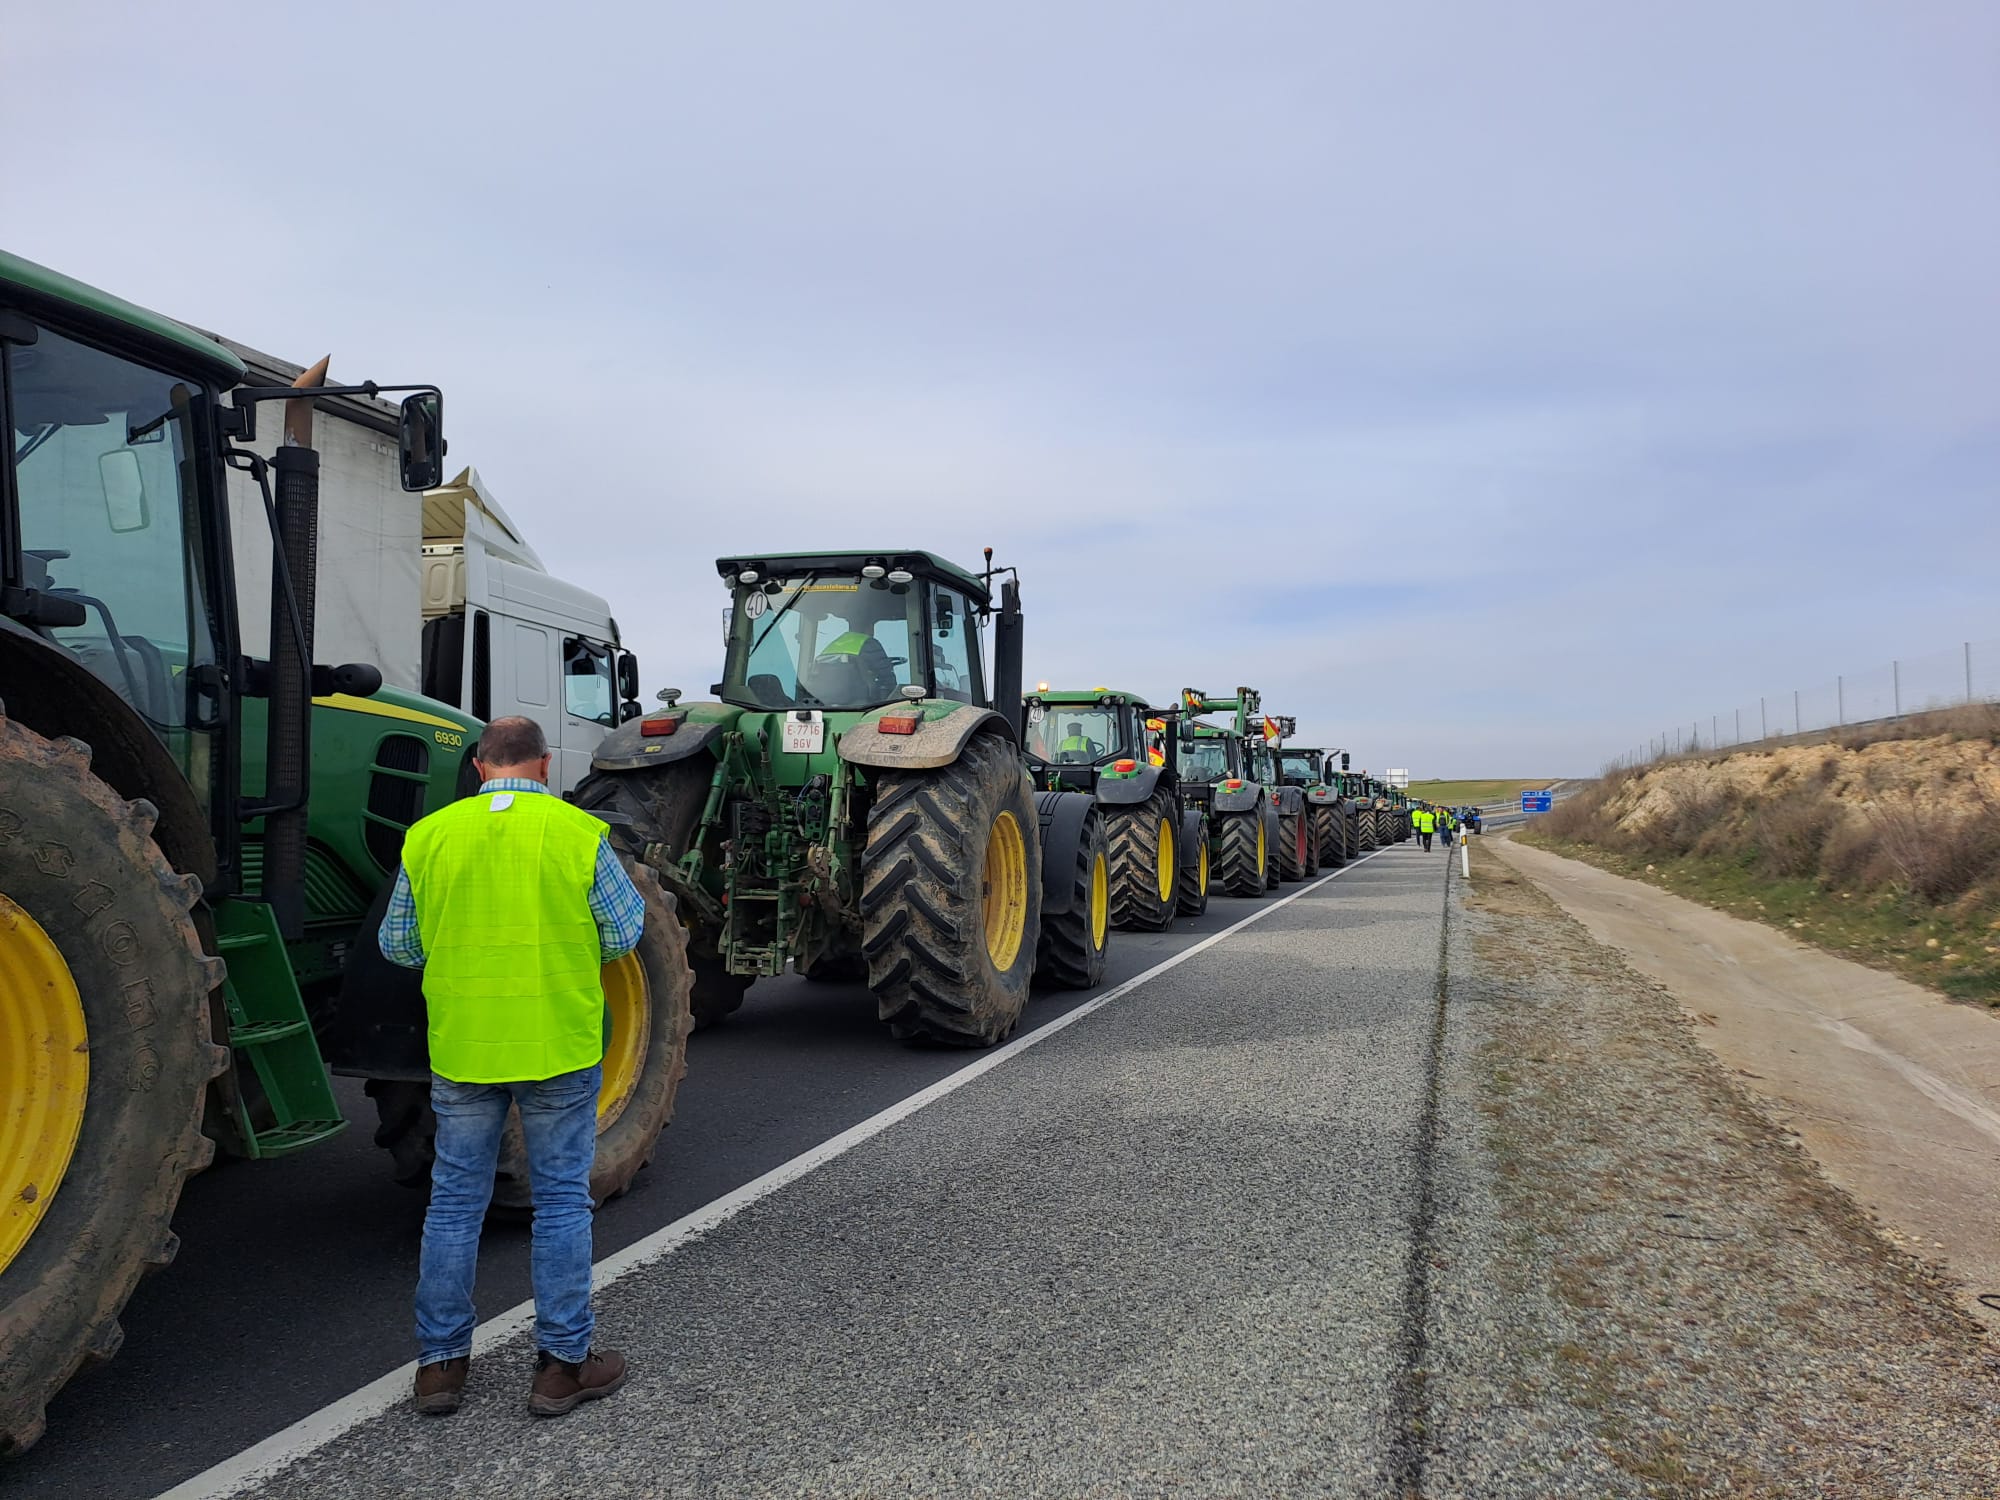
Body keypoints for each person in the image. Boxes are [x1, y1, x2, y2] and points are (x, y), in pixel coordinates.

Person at [379, 715, 647, 1419]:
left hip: (466, 1047)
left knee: (454, 1202)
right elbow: (623, 933)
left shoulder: (429, 837)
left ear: (478, 768)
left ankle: (440, 1368)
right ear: (545, 765)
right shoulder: (577, 833)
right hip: (557, 1043)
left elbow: (400, 945)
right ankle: (562, 1365)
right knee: (561, 1201)